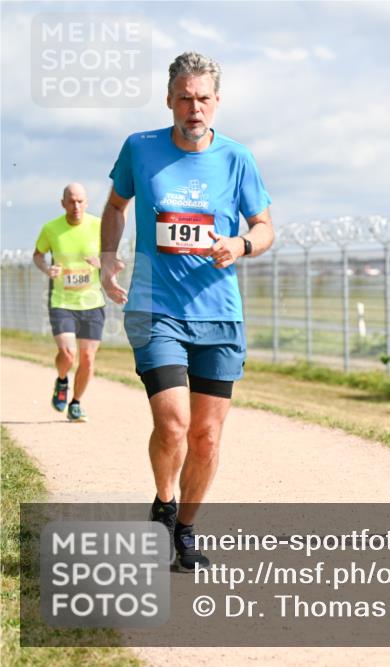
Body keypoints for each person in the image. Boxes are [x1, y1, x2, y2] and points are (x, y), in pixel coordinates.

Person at [100, 52, 274, 571]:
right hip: (155, 308)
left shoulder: (237, 158)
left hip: (218, 314)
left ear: (216, 102)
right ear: (169, 100)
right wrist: (110, 261)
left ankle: (186, 530)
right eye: (184, 97)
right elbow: (114, 207)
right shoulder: (140, 148)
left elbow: (265, 227)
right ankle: (165, 500)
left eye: (203, 98)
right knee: (174, 424)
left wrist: (241, 245)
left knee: (207, 436)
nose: (193, 108)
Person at [33, 183, 105, 423]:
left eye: (80, 201)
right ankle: (62, 380)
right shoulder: (51, 229)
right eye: (71, 201)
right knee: (67, 353)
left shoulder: (99, 226)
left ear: (86, 202)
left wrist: (102, 263)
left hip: (92, 301)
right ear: (63, 203)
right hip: (62, 300)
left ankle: (76, 403)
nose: (76, 206)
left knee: (88, 358)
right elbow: (38, 255)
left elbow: (114, 259)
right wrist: (47, 268)